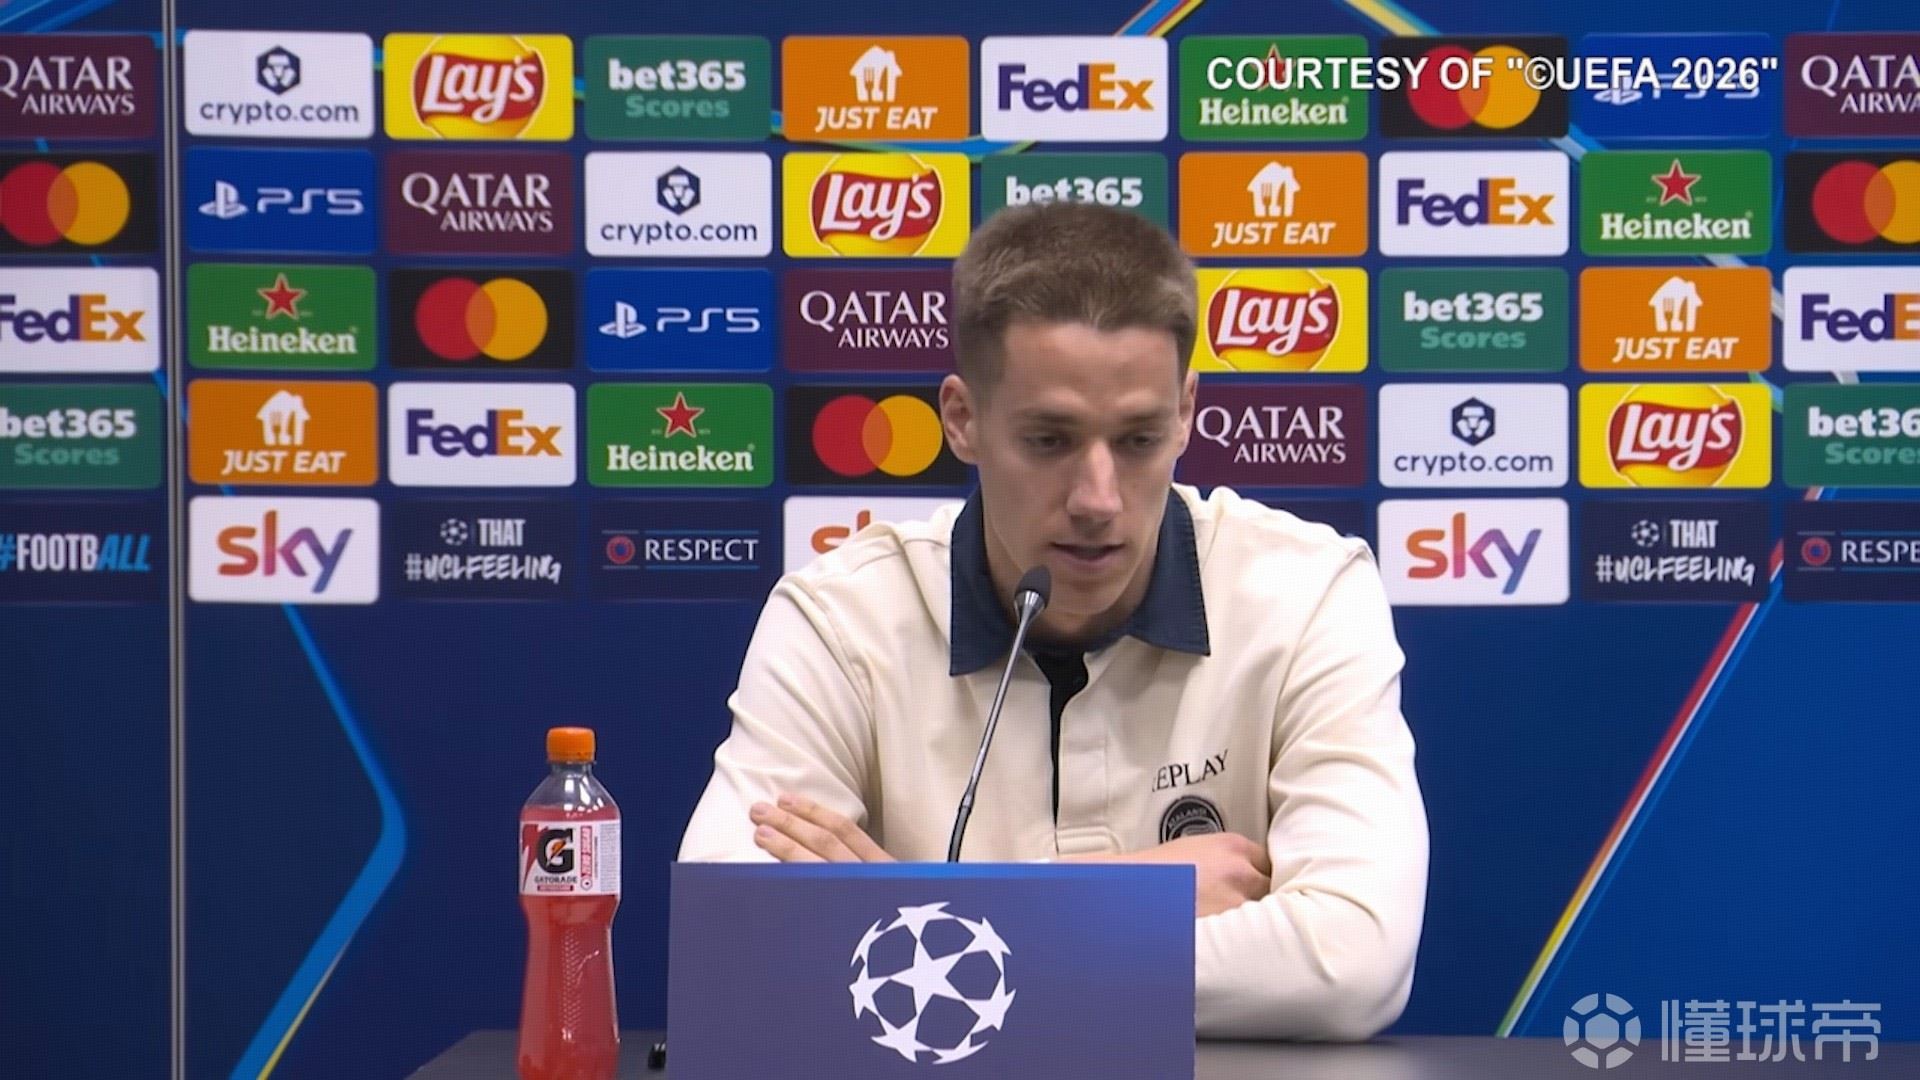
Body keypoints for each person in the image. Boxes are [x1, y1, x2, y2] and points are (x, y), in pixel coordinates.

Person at [677, 201, 1429, 1041]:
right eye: (1049, 440)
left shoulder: (1308, 593)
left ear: (1186, 410)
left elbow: (1351, 963)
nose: (1098, 500)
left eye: (1138, 440)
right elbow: (728, 944)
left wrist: (916, 934)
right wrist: (1131, 897)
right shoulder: (843, 619)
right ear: (963, 418)